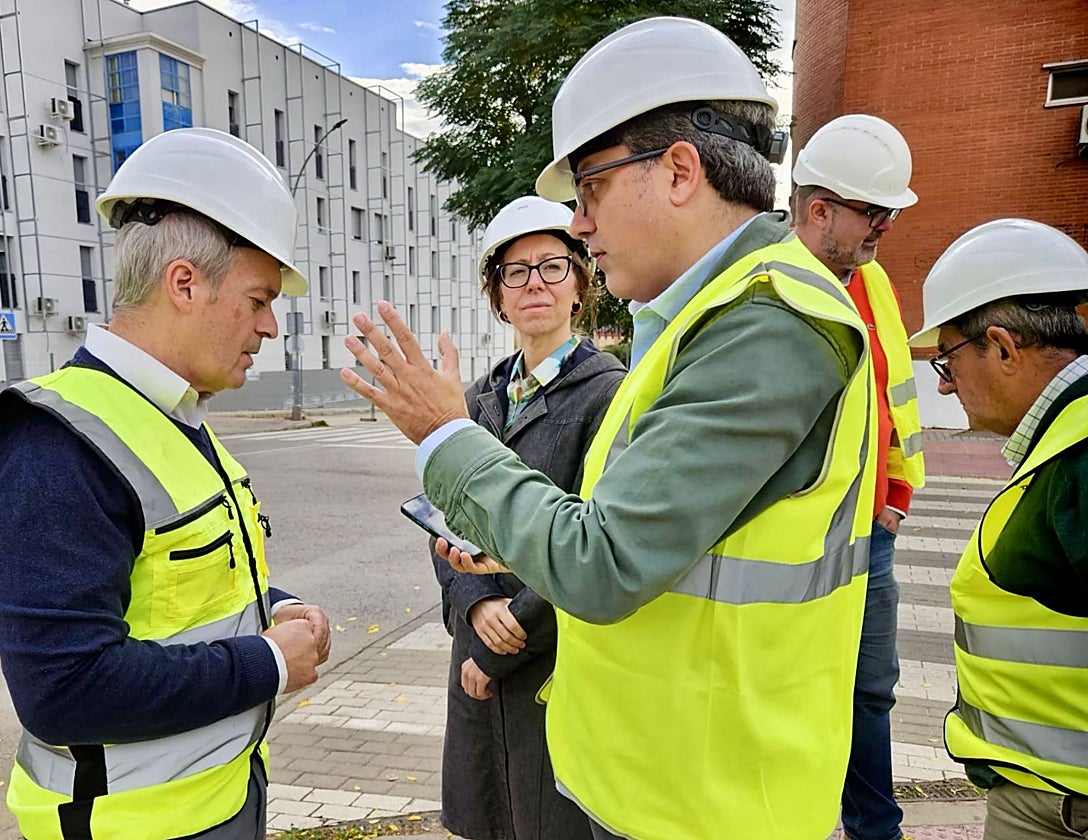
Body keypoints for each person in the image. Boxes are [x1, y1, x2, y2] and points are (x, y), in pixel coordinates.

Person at [340, 16, 878, 840]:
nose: (581, 229)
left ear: (678, 171)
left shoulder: (769, 323)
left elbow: (602, 563)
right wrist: (497, 553)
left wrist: (444, 435)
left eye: (586, 192)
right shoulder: (702, 319)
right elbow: (620, 526)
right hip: (657, 776)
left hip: (713, 801)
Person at [0, 128, 330, 840]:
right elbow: (63, 689)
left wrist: (276, 606)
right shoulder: (51, 443)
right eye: (257, 300)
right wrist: (270, 663)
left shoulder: (178, 416)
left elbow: (181, 590)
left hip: (218, 801)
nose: (270, 327)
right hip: (128, 825)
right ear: (184, 283)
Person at [431, 196, 624, 840]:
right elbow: (444, 517)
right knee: (486, 818)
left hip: (551, 660)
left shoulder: (607, 394)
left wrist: (508, 631)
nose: (533, 282)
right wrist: (473, 598)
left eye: (551, 266)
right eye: (514, 272)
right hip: (475, 649)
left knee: (549, 821)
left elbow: (600, 537)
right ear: (498, 297)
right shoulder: (480, 400)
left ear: (579, 283)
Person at [907, 218, 1088, 840]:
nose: (945, 384)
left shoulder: (1083, 455)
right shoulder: (1064, 441)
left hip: (1065, 809)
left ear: (1004, 348)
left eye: (948, 361)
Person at [792, 114, 927, 840]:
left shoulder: (871, 282)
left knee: (871, 692)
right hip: (800, 546)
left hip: (870, 539)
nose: (885, 229)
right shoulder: (771, 285)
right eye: (874, 214)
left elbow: (890, 395)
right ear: (820, 211)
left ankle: (876, 830)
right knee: (802, 692)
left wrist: (896, 495)